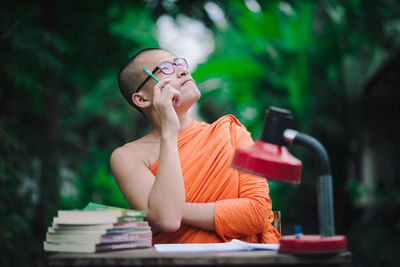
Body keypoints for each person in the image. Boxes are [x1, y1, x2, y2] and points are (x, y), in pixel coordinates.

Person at [111, 48, 280, 244]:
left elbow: (257, 213)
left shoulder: (231, 133)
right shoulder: (128, 156)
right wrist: (169, 132)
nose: (182, 71)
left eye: (179, 64)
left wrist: (173, 207)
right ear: (142, 98)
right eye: (165, 68)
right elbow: (167, 220)